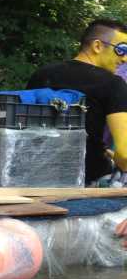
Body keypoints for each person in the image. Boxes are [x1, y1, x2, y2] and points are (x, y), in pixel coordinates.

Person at [26, 18, 127, 185]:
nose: (125, 59)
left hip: (37, 176)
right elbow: (124, 153)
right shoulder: (113, 84)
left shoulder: (42, 74)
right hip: (88, 180)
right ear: (97, 46)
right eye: (122, 50)